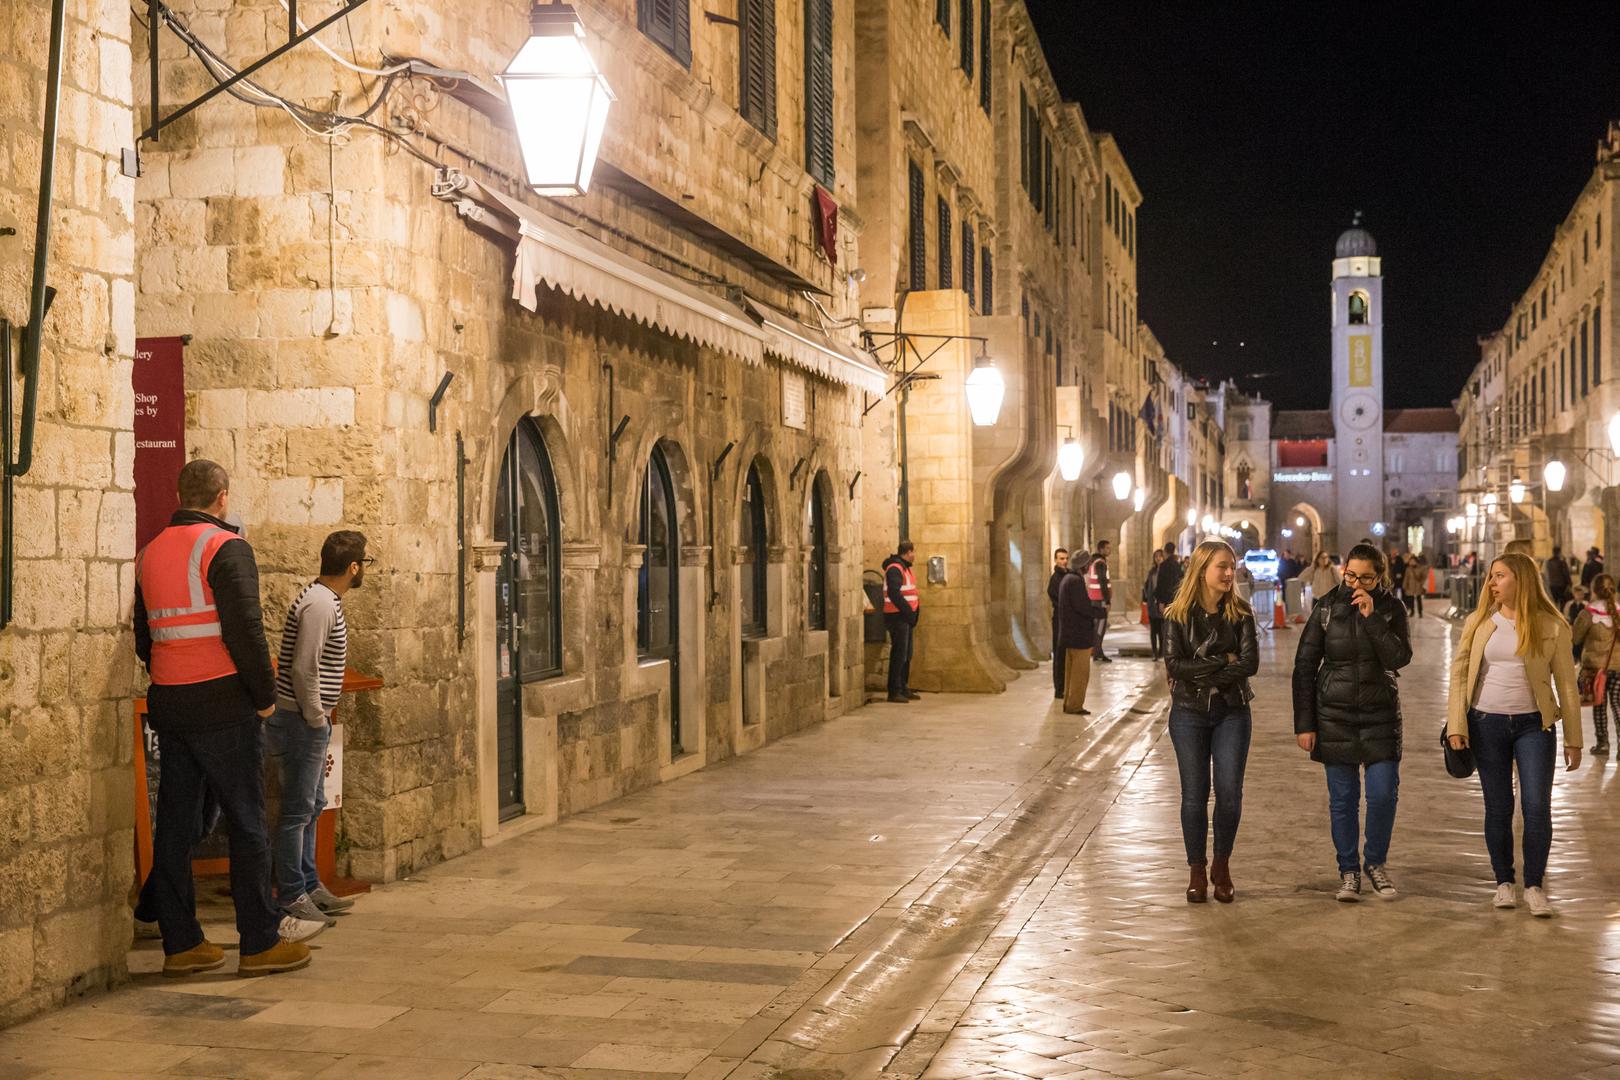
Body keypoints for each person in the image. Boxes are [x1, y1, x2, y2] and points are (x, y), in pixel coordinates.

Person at [133, 460, 325, 978]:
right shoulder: (226, 547)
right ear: (222, 496)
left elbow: (144, 635)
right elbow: (246, 629)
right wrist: (264, 697)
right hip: (223, 701)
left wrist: (170, 674)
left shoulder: (150, 552)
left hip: (171, 700)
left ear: (180, 495)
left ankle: (182, 944)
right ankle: (259, 941)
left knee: (175, 824)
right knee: (247, 821)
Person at [1445, 552, 1582, 917]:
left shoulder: (1552, 625)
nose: (1491, 583)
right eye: (1492, 576)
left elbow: (1567, 686)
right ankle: (1503, 882)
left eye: (1500, 576)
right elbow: (1459, 675)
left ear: (1521, 581)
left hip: (1534, 726)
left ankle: (1534, 886)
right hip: (1486, 723)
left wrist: (1574, 738)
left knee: (1536, 807)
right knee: (1499, 806)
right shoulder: (1479, 622)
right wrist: (1457, 725)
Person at [1292, 544, 1413, 902]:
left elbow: (1399, 658)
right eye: (1351, 576)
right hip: (1335, 715)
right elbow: (1304, 666)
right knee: (1343, 800)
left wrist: (1372, 618)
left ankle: (1374, 862)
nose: (1356, 584)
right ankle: (1348, 870)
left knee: (1383, 795)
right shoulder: (1326, 607)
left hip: (1380, 715)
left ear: (1380, 577)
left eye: (1366, 578)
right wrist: (1304, 724)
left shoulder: (1392, 608)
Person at [269, 531, 369, 926]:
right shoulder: (320, 605)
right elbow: (303, 667)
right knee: (297, 810)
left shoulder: (324, 600)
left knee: (311, 804)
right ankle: (292, 894)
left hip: (307, 720)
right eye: (364, 562)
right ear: (353, 567)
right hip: (300, 721)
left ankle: (310, 884)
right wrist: (315, 716)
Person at [1163, 540, 1259, 904]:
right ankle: (1197, 870)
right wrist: (1223, 660)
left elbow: (1249, 664)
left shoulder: (1241, 613)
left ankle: (1222, 865)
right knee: (1194, 795)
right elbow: (1175, 666)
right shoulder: (1177, 615)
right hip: (1188, 713)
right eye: (1222, 566)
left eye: (1231, 566)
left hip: (1232, 711)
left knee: (1229, 793)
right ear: (1202, 569)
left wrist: (1202, 671)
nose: (1229, 573)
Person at [1572, 573, 1620, 757]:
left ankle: (1603, 744)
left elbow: (1576, 637)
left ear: (1593, 590)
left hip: (1595, 667)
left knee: (1599, 705)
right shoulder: (1618, 610)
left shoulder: (1589, 613)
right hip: (1618, 668)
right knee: (1618, 705)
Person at [1056, 554, 1099, 715]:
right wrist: (1098, 612)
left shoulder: (1067, 578)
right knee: (1080, 674)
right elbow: (1082, 607)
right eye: (1088, 564)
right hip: (1079, 635)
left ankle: (1069, 703)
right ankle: (1075, 705)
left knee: (1071, 673)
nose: (1089, 567)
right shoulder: (1075, 581)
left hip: (1070, 635)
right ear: (1084, 565)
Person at [882, 541, 921, 703]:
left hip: (905, 618)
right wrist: (908, 612)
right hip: (897, 617)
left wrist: (913, 614)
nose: (914, 555)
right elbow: (894, 593)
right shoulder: (894, 569)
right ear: (907, 552)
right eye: (913, 552)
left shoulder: (905, 568)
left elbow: (911, 593)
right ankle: (894, 691)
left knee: (906, 654)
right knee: (899, 654)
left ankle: (903, 687)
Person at [1047, 548, 1069, 698]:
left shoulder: (1068, 576)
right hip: (1059, 620)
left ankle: (1066, 686)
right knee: (1059, 654)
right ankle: (1059, 688)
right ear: (1055, 560)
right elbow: (1057, 599)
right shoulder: (1055, 579)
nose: (1064, 561)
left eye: (1066, 558)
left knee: (1067, 655)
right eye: (1061, 558)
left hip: (1068, 621)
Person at [1087, 538, 1114, 662]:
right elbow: (1103, 582)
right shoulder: (1100, 563)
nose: (1109, 550)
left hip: (1093, 599)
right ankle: (1098, 652)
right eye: (1107, 548)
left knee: (1096, 627)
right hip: (1100, 600)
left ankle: (1096, 651)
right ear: (1101, 549)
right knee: (1100, 627)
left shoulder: (1093, 561)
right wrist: (1107, 601)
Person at [1144, 550, 1167, 659]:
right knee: (1153, 630)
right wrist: (1147, 598)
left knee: (1162, 630)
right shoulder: (1151, 572)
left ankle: (1161, 651)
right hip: (1152, 605)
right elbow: (1147, 586)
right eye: (1156, 556)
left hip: (1162, 604)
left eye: (1160, 556)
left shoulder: (1166, 571)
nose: (1158, 558)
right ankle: (1154, 652)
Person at [1402, 551, 1430, 618]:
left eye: (1413, 561)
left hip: (1418, 586)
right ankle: (1412, 612)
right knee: (1411, 600)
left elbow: (1424, 577)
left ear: (1416, 561)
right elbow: (1406, 578)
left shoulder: (1421, 568)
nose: (1411, 562)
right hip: (1410, 587)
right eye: (1410, 561)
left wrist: (1422, 584)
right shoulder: (1408, 569)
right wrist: (1404, 586)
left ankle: (1420, 612)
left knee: (1419, 600)